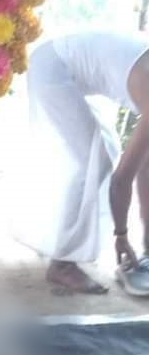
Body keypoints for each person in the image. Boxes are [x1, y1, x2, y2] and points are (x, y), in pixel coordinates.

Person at [19, 31, 149, 295]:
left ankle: (60, 244)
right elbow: (121, 180)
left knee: (106, 148)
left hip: (64, 66)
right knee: (92, 162)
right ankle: (62, 266)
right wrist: (121, 235)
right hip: (52, 68)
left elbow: (145, 167)